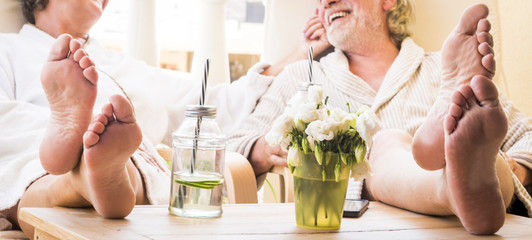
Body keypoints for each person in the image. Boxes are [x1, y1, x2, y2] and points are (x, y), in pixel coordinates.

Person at [0, 0, 327, 236]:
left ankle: (93, 169)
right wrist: (51, 133)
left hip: (119, 159)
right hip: (32, 157)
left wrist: (299, 54)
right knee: (35, 170)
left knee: (117, 151)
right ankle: (82, 164)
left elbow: (205, 103)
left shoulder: (123, 66)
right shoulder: (8, 49)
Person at [227, 0, 532, 235]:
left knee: (487, 160)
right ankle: (455, 177)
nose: (326, 1)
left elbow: (527, 135)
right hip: (353, 220)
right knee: (382, 146)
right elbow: (234, 147)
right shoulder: (302, 75)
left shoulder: (439, 67)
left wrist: (514, 169)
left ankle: (468, 169)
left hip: (480, 200)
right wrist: (271, 146)